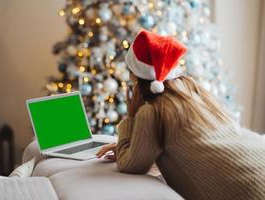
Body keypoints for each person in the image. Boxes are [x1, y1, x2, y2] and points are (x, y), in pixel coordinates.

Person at [96, 30, 265, 200]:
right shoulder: (193, 90)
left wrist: (131, 117)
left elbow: (130, 166)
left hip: (248, 190)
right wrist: (135, 147)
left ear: (135, 76)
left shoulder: (152, 112)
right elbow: (194, 149)